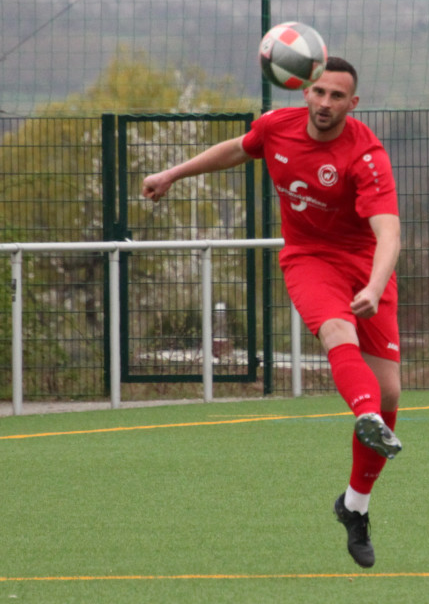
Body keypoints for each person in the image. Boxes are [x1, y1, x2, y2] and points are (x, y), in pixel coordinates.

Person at [142, 57, 403, 570]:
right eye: (319, 92)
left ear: (354, 104)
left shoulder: (367, 154)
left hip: (367, 268)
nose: (325, 103)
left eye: (337, 97)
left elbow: (388, 231)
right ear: (304, 91)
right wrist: (172, 173)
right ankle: (364, 414)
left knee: (390, 390)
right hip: (309, 261)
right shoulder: (277, 127)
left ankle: (354, 506)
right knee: (337, 333)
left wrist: (374, 285)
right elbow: (236, 151)